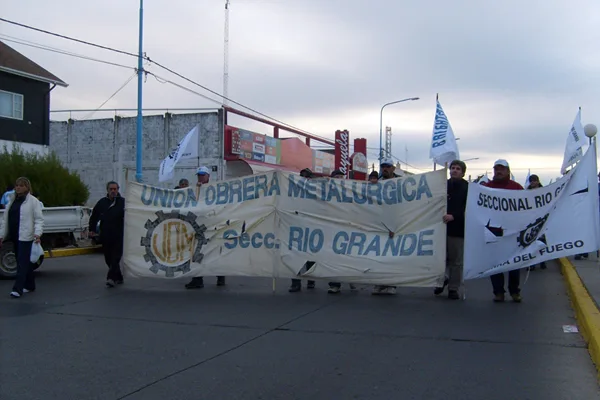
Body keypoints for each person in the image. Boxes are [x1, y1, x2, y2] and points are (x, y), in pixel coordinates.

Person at [482, 159, 524, 302]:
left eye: (501, 169)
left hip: (512, 231)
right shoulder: (486, 187)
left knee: (514, 263)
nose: (498, 172)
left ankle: (514, 291)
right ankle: (498, 292)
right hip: (493, 232)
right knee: (495, 263)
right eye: (496, 169)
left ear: (508, 171)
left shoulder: (517, 188)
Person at [0, 177, 44, 298]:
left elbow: (39, 219)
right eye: (17, 185)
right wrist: (2, 235)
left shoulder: (32, 201)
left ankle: (17, 289)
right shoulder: (12, 200)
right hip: (14, 235)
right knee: (23, 261)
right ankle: (30, 285)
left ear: (27, 187)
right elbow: (5, 220)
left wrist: (37, 233)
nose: (18, 187)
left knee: (22, 263)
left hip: (26, 236)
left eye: (21, 185)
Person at [185, 166, 225, 289]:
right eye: (199, 175)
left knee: (214, 253)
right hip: (199, 226)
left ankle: (220, 277)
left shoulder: (214, 189)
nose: (201, 177)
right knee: (198, 252)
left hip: (212, 225)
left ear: (208, 176)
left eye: (203, 175)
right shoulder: (195, 189)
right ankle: (198, 279)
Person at [434, 160, 468, 300]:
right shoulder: (443, 185)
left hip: (457, 229)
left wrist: (454, 216)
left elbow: (468, 208)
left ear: (463, 172)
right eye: (452, 168)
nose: (454, 170)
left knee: (455, 261)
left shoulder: (468, 188)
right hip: (440, 228)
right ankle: (441, 281)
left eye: (458, 169)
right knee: (438, 259)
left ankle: (453, 288)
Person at [89, 181, 126, 288]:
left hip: (119, 235)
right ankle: (118, 277)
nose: (113, 191)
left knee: (115, 258)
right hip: (105, 235)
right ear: (107, 190)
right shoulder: (102, 202)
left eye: (115, 189)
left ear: (118, 190)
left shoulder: (123, 202)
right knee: (108, 258)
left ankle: (111, 278)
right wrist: (92, 229)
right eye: (111, 189)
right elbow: (94, 216)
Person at [372, 158, 400, 295]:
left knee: (392, 257)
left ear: (393, 168)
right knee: (378, 256)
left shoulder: (401, 182)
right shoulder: (375, 182)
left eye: (387, 166)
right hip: (378, 224)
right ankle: (379, 283)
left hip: (394, 224)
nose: (385, 169)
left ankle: (391, 284)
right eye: (383, 166)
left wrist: (395, 225)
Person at [327, 169, 358, 294]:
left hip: (347, 227)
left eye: (341, 176)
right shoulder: (325, 191)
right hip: (332, 227)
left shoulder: (349, 191)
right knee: (333, 257)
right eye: (337, 176)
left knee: (349, 255)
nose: (340, 179)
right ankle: (335, 284)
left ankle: (351, 279)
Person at [289, 168, 317, 292]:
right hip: (297, 226)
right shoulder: (293, 191)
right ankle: (296, 281)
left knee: (311, 255)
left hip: (311, 226)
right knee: (295, 256)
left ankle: (310, 278)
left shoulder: (316, 192)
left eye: (307, 177)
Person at [526, 174, 547, 270]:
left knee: (542, 241)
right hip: (530, 220)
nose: (533, 182)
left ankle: (542, 261)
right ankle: (532, 263)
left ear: (538, 181)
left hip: (542, 219)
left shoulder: (544, 191)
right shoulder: (526, 193)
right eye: (531, 181)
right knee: (531, 241)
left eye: (534, 180)